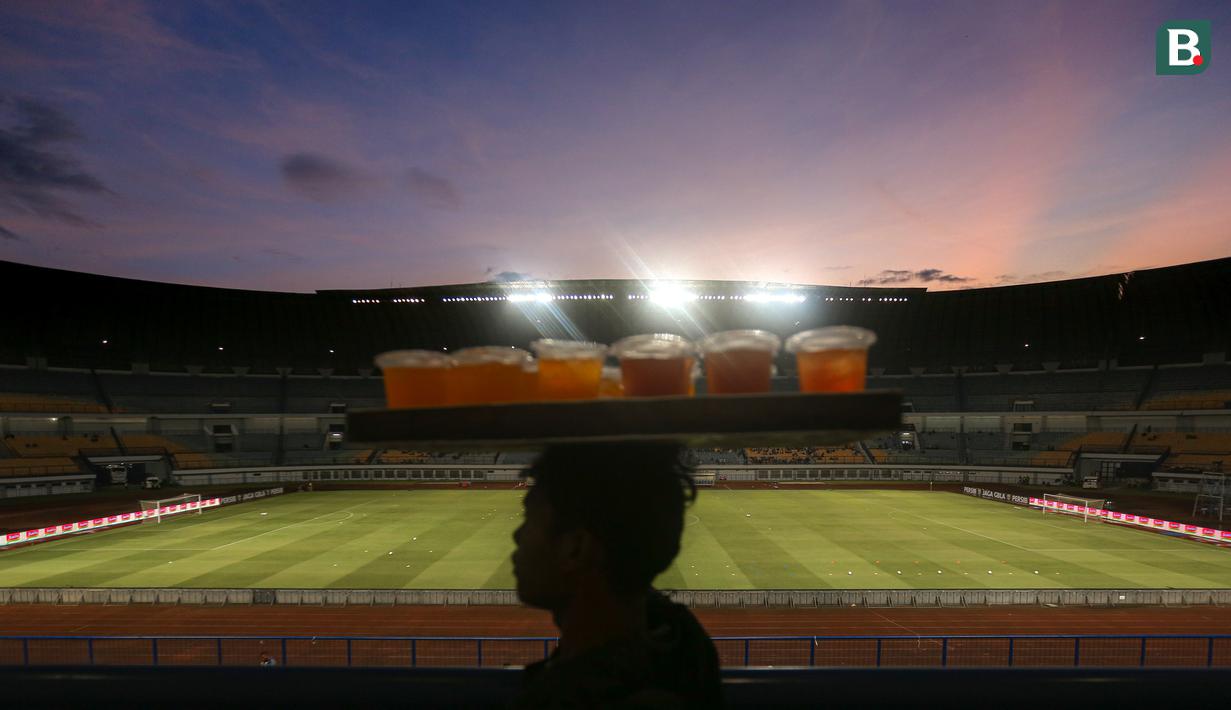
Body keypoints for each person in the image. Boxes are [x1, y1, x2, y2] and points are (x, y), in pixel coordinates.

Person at [511, 442, 723, 709]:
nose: (517, 535)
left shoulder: (562, 698)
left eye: (528, 519)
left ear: (576, 549)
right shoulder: (684, 646)